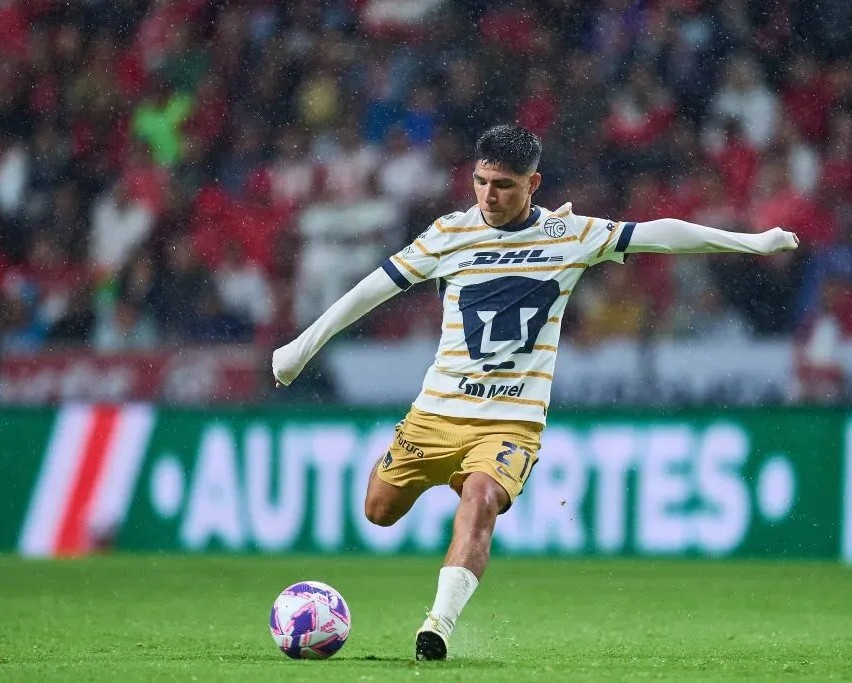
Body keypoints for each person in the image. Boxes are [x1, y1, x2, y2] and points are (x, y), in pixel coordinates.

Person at [271, 124, 799, 660]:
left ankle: (438, 626)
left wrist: (750, 243)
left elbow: (659, 233)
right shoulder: (447, 235)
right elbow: (368, 292)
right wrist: (301, 347)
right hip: (435, 411)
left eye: (502, 185)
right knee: (379, 511)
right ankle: (432, 490)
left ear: (533, 183)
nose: (488, 196)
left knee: (480, 500)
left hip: (511, 419)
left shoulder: (569, 235)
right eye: (480, 182)